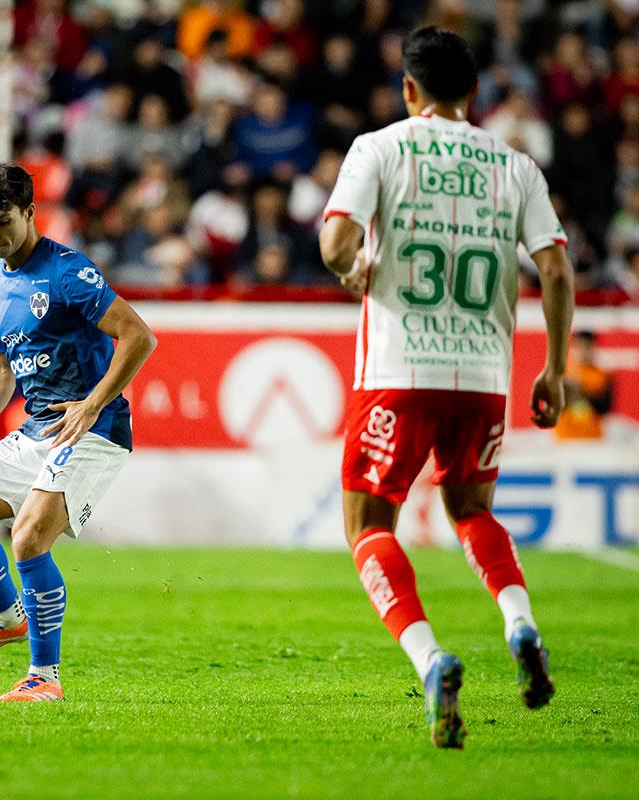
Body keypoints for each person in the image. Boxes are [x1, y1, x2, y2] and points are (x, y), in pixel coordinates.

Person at [318, 27, 573, 748]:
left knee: (369, 526)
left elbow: (336, 244)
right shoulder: (515, 164)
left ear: (409, 89)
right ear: (475, 92)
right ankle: (520, 623)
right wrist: (554, 368)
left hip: (398, 373)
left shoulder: (379, 148)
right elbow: (556, 269)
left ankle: (431, 660)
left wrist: (350, 268)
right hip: (483, 376)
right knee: (471, 510)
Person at [0, 163, 157, 701]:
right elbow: (1, 367)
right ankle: (8, 620)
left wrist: (92, 404)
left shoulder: (67, 272)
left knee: (29, 535)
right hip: (38, 429)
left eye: (3, 220)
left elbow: (138, 337)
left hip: (94, 428)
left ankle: (44, 678)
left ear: (30, 212)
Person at [554, 331, 613, 440]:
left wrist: (582, 391)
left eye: (587, 347)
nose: (583, 352)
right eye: (579, 347)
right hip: (565, 438)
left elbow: (605, 409)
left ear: (593, 348)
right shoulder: (561, 376)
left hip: (593, 437)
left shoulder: (603, 376)